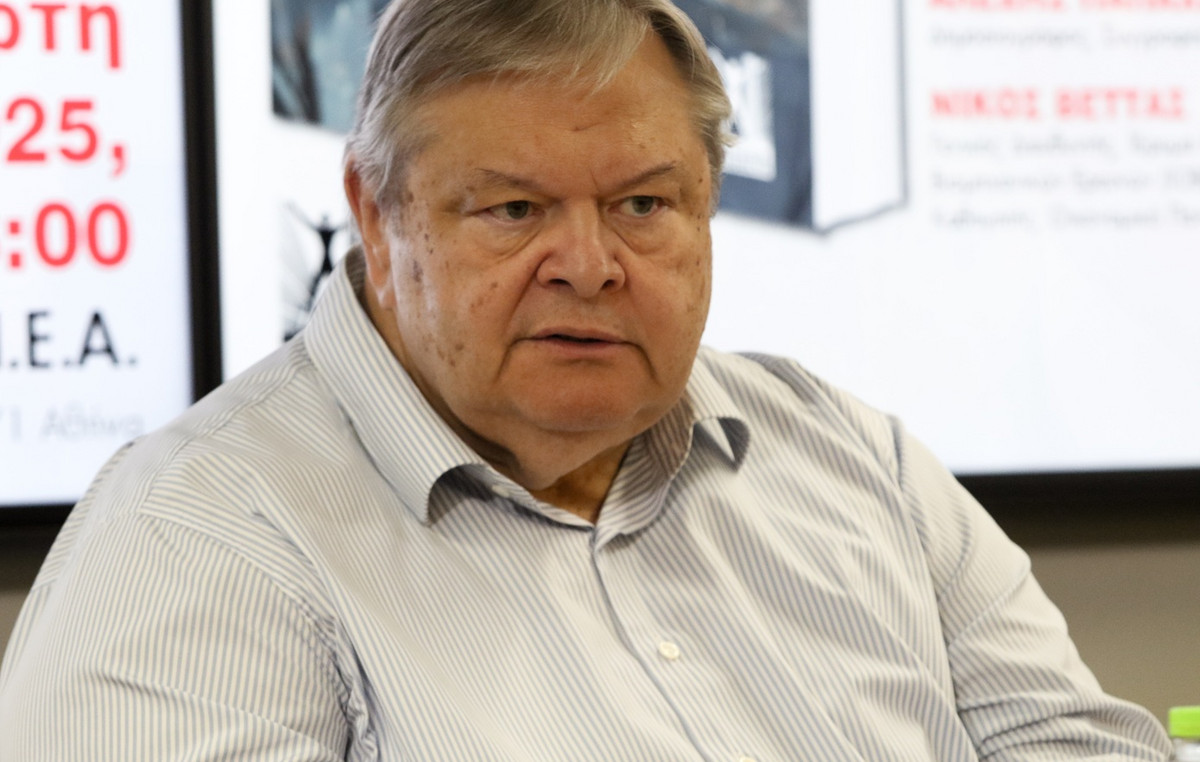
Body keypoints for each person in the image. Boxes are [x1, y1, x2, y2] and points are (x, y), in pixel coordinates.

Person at [0, 1, 1172, 759]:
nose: (590, 265)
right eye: (514, 209)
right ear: (377, 213)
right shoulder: (195, 540)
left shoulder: (852, 459)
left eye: (643, 204)